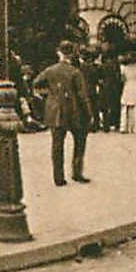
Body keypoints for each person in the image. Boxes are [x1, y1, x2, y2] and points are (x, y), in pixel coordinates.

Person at [33, 44, 92, 185]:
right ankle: (77, 173)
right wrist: (89, 113)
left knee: (57, 145)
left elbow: (36, 83)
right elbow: (82, 95)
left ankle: (58, 177)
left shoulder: (50, 71)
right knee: (80, 140)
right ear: (72, 54)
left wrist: (50, 95)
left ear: (59, 53)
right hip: (73, 111)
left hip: (54, 111)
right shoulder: (75, 72)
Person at [118, 50, 136, 133]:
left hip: (127, 87)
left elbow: (122, 79)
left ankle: (125, 127)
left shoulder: (124, 69)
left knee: (126, 106)